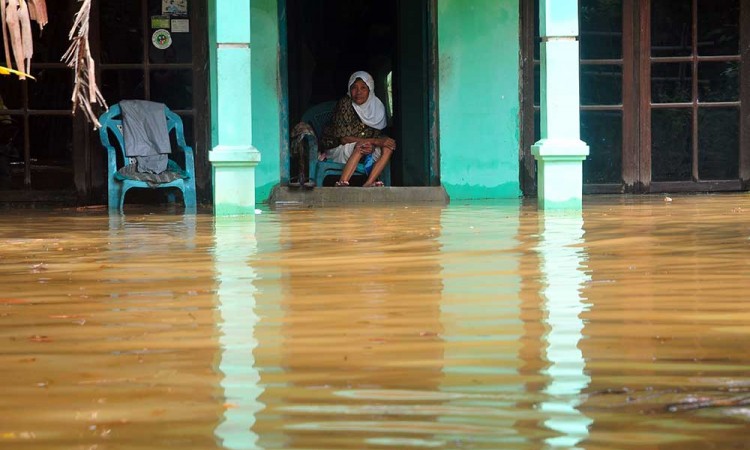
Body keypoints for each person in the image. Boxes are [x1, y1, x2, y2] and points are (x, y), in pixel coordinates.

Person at [320, 70, 396, 187]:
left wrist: (380, 142)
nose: (358, 92)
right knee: (362, 146)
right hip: (339, 149)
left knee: (388, 147)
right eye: (354, 88)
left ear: (370, 89)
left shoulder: (377, 107)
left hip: (367, 149)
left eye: (363, 88)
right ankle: (342, 183)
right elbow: (344, 139)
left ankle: (369, 183)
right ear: (349, 89)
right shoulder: (345, 103)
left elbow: (377, 135)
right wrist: (374, 141)